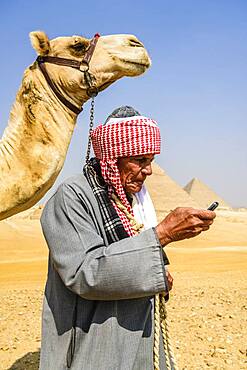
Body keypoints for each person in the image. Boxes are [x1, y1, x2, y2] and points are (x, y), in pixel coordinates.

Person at [39, 106, 216, 370]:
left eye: (151, 160)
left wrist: (157, 276)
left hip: (138, 336)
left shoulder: (134, 201)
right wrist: (162, 234)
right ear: (113, 157)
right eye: (140, 160)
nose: (149, 171)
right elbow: (85, 273)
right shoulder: (72, 197)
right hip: (95, 342)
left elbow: (130, 259)